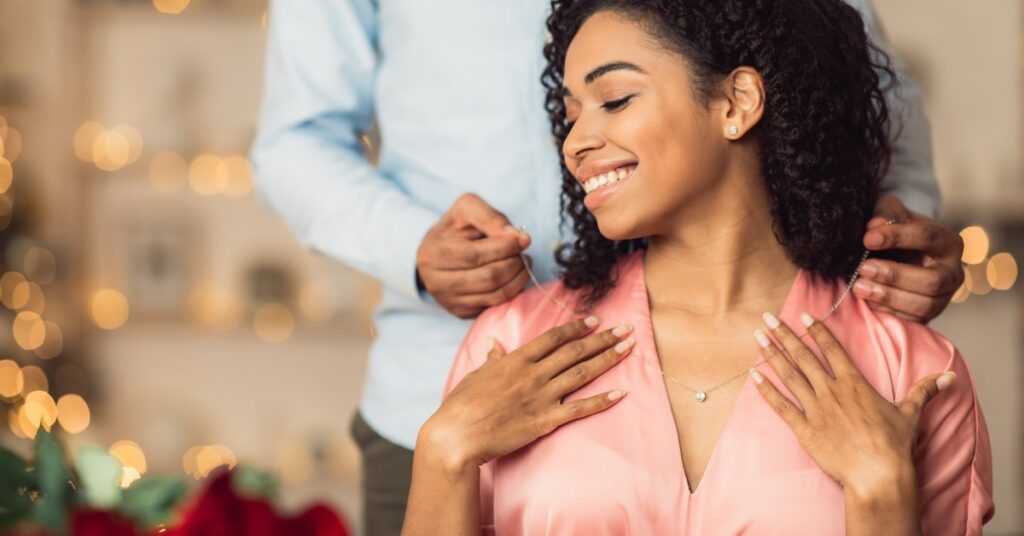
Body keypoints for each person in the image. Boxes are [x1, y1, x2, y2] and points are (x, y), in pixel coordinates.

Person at [251, 0, 964, 532]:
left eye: (616, 100)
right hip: (446, 384)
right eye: (570, 115)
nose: (576, 142)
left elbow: (850, 76)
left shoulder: (903, 370)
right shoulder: (496, 350)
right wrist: (414, 246)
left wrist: (888, 232)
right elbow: (293, 142)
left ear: (739, 101)